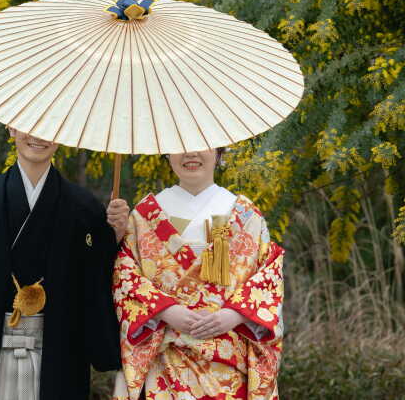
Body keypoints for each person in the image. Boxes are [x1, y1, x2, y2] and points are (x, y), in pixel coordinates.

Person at [0, 127, 121, 400]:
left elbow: (97, 281)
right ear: (11, 129)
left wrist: (116, 235)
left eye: (50, 127)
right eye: (29, 127)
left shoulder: (83, 206)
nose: (38, 137)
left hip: (57, 347)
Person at [105, 148, 284, 400]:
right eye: (180, 146)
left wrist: (233, 315)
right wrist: (165, 310)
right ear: (167, 153)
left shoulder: (245, 214)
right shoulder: (144, 215)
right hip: (164, 359)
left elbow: (269, 277)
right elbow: (124, 275)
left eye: (203, 145)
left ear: (220, 151)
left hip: (227, 361)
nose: (191, 154)